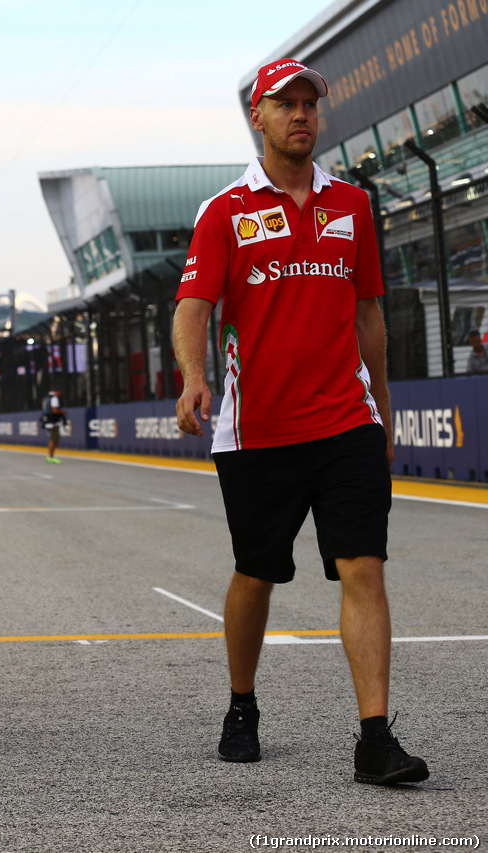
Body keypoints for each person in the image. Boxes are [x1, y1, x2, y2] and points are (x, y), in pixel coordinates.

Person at [173, 58, 429, 785]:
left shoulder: (352, 204)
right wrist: (195, 377)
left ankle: (375, 738)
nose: (301, 115)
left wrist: (382, 413)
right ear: (258, 116)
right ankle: (242, 704)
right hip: (257, 430)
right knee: (257, 572)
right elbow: (192, 308)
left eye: (310, 103)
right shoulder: (224, 210)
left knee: (364, 566)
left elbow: (368, 313)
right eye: (285, 103)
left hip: (345, 421)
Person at [40, 389, 68, 463]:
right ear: (57, 391)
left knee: (54, 439)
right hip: (53, 422)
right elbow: (55, 410)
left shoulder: (46, 397)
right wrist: (62, 412)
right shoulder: (54, 398)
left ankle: (51, 456)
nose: (60, 395)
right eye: (60, 393)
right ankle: (51, 457)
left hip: (48, 420)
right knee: (54, 439)